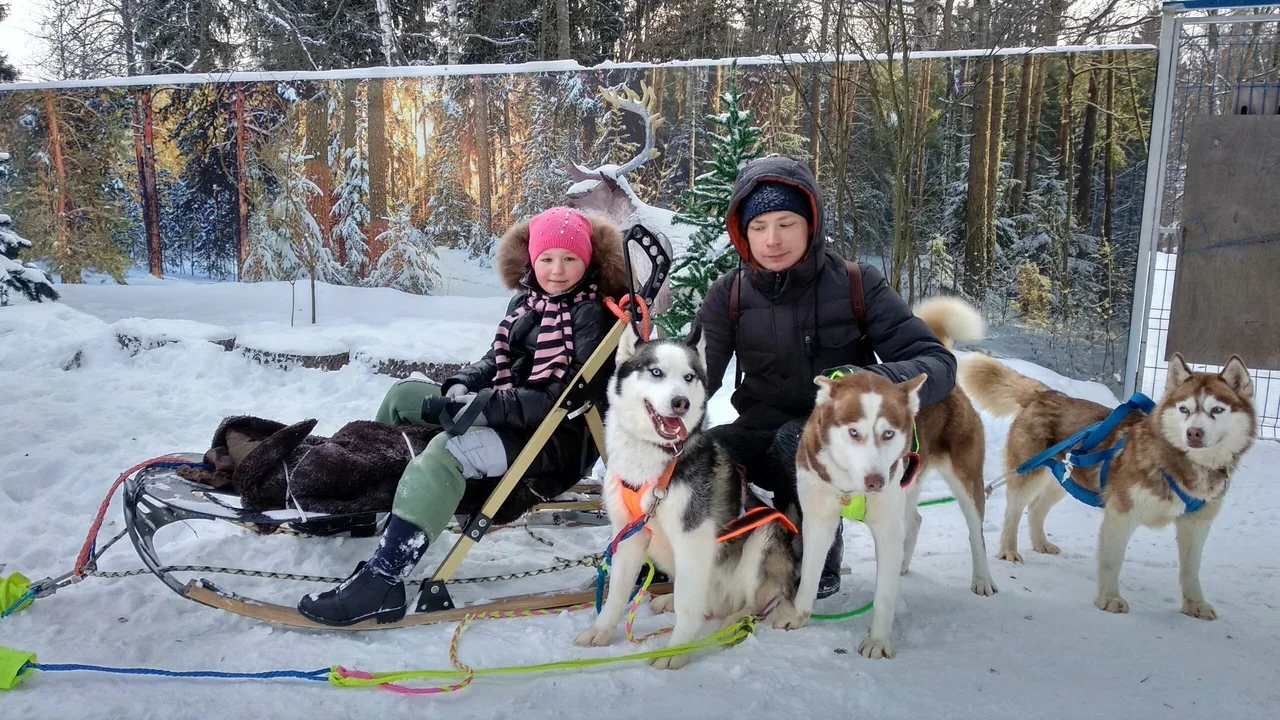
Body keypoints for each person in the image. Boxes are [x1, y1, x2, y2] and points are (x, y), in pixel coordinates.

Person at [299, 206, 628, 626]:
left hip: (549, 440)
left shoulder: (592, 313)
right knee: (403, 397)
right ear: (532, 260)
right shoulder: (528, 301)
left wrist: (484, 404)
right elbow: (495, 358)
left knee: (446, 450)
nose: (557, 271)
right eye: (547, 259)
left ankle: (384, 582)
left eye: (569, 259)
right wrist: (463, 382)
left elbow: (558, 398)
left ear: (588, 261)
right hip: (509, 410)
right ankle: (364, 503)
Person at [694, 156, 958, 599]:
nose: (772, 240)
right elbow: (697, 376)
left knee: (794, 442)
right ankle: (730, 545)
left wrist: (870, 380)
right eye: (758, 227)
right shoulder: (730, 294)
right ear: (743, 232)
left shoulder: (857, 283)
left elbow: (936, 361)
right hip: (759, 422)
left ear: (810, 223)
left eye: (786, 223)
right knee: (705, 454)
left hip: (840, 436)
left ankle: (816, 555)